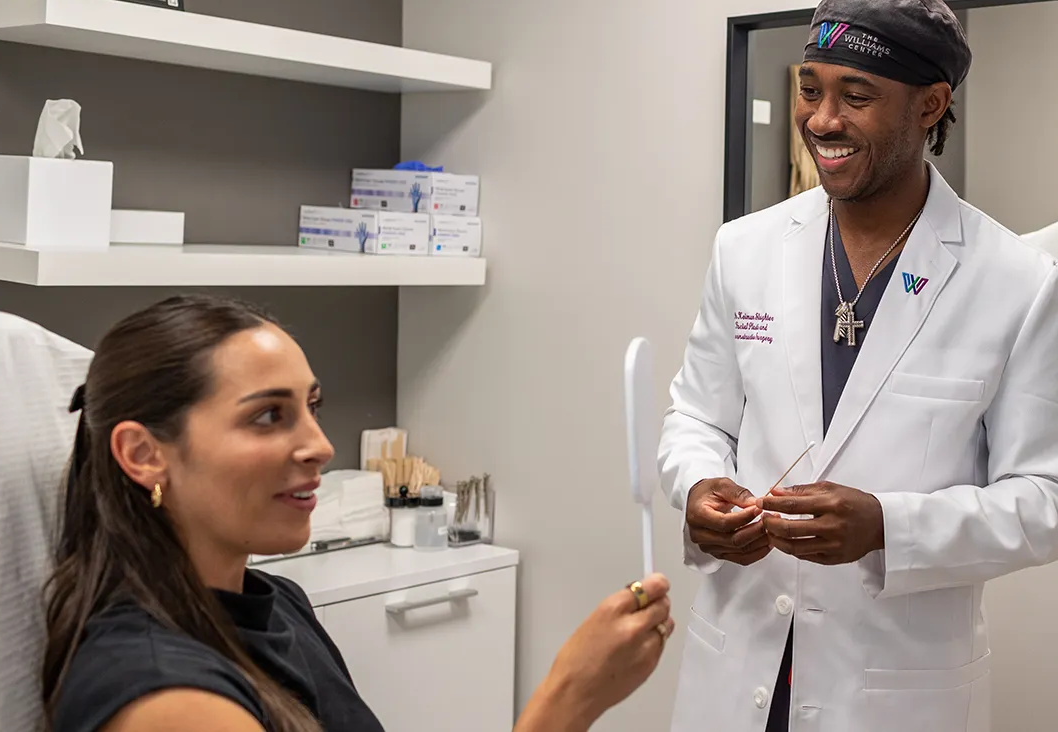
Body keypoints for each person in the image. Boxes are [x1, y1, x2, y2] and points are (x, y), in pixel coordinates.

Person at [658, 0, 1058, 731]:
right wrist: (699, 487)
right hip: (739, 668)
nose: (822, 120)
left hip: (893, 689)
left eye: (855, 95)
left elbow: (1057, 500)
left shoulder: (1017, 282)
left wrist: (890, 527)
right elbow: (695, 416)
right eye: (810, 89)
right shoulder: (746, 249)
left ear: (929, 105)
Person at [43, 295, 674, 732]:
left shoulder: (277, 602)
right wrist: (568, 698)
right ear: (143, 454)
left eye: (312, 406)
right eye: (269, 415)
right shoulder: (166, 697)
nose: (320, 444)